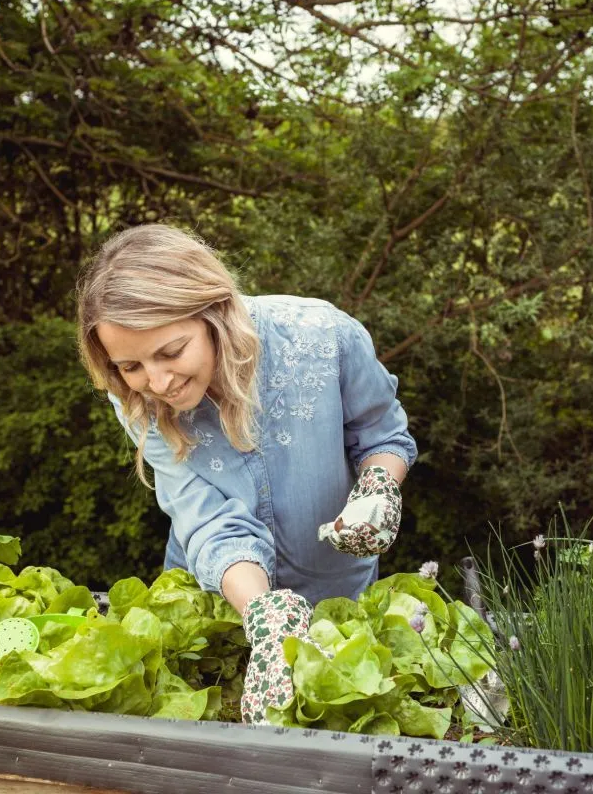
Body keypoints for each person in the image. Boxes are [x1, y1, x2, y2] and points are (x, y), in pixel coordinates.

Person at [75, 223, 418, 724]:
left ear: (215, 312)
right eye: (131, 366)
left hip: (335, 596)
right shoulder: (134, 397)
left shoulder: (323, 335)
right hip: (217, 606)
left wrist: (379, 487)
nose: (158, 381)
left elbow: (383, 436)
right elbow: (206, 518)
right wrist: (266, 618)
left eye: (171, 352)